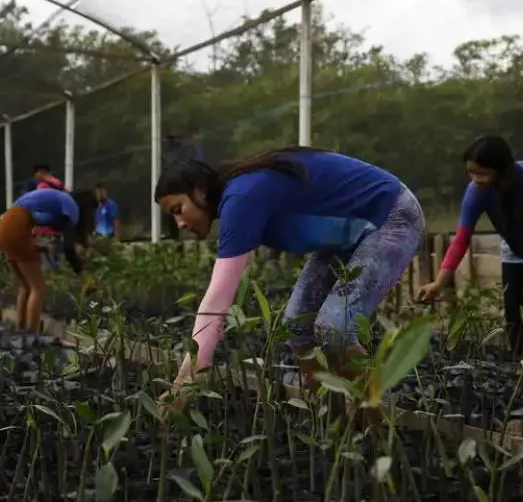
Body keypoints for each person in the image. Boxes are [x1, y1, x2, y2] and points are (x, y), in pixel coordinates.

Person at [154, 146, 424, 399]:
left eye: (178, 209)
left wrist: (187, 378)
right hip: (344, 237)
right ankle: (329, 416)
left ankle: (379, 425)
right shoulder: (238, 196)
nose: (179, 223)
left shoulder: (241, 198)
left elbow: (218, 300)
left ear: (200, 191)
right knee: (296, 324)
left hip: (391, 214)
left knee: (335, 328)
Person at [418, 135, 523, 356]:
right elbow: (461, 239)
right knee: (515, 313)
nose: (476, 179)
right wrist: (438, 283)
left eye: (483, 173)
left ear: (502, 169)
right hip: (517, 246)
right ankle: (522, 365)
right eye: (471, 173)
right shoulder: (476, 193)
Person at [0, 188, 96, 332]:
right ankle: (31, 334)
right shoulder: (70, 205)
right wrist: (81, 273)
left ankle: (19, 329)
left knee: (26, 286)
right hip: (16, 226)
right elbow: (68, 247)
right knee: (38, 288)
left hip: (4, 227)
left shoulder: (55, 199)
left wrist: (39, 246)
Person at [162, 133, 203, 241]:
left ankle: (200, 232)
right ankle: (173, 235)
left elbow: (197, 164)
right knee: (172, 209)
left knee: (196, 205)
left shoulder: (190, 151)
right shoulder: (172, 153)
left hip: (189, 182)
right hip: (175, 184)